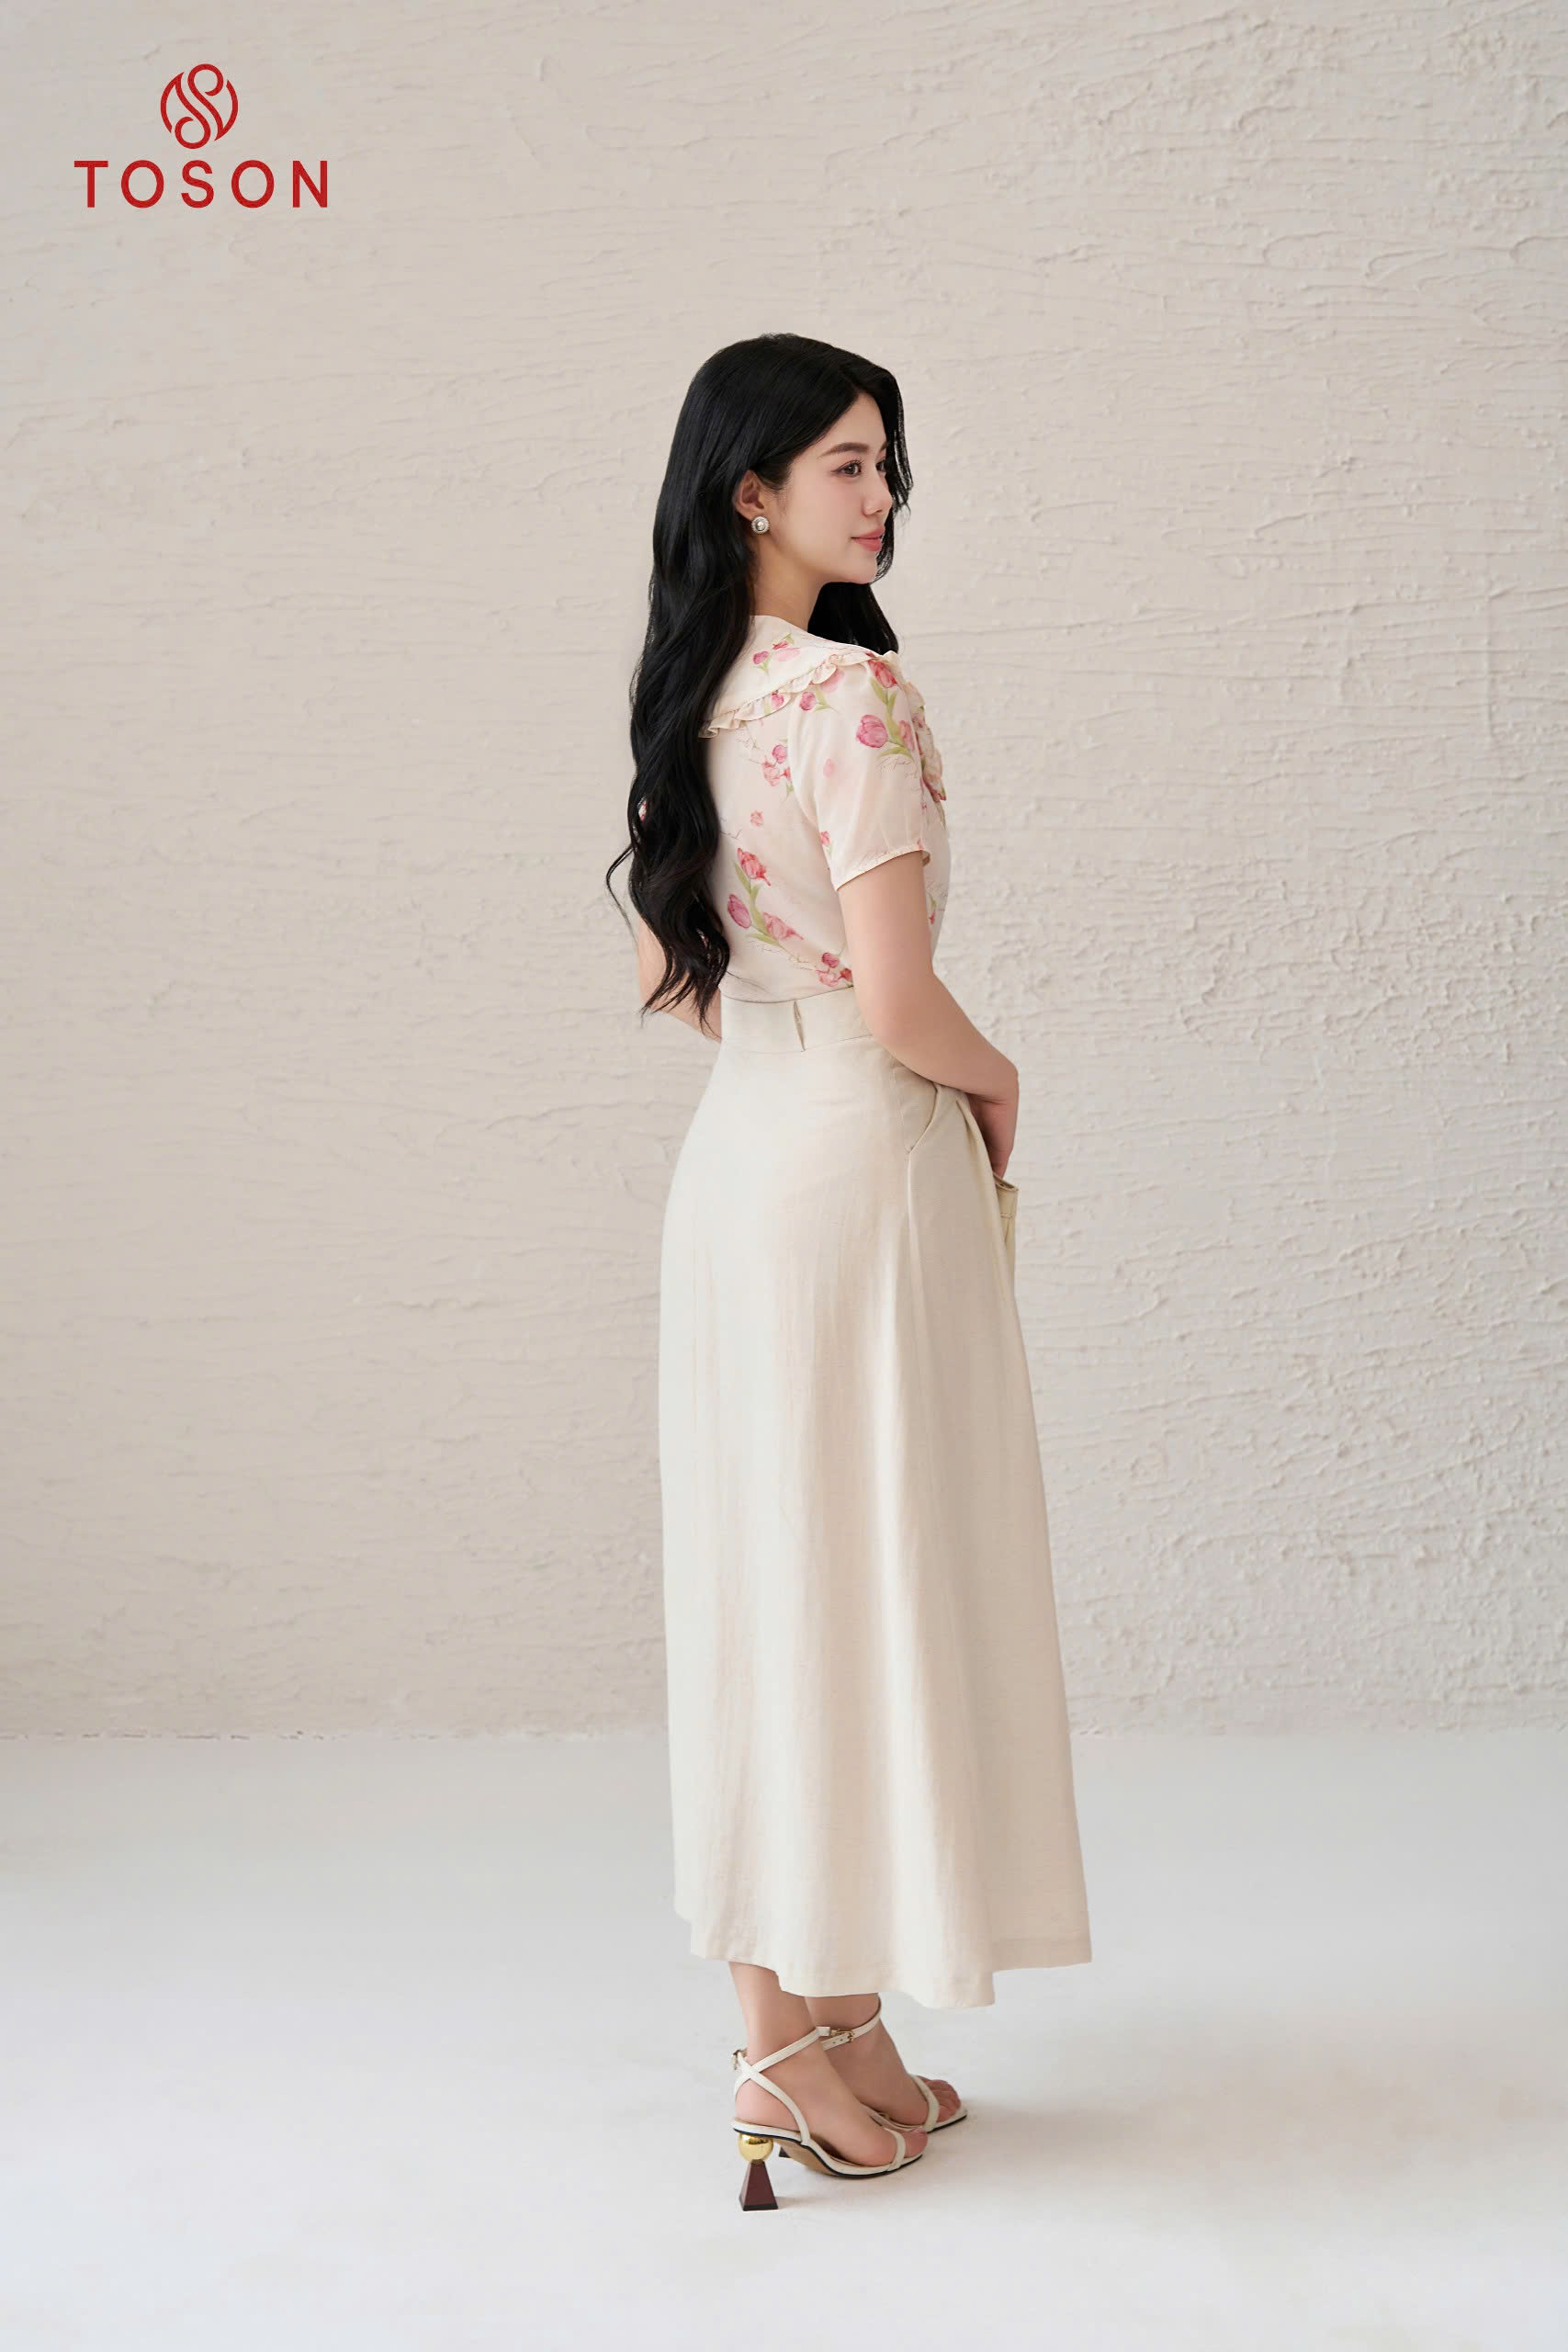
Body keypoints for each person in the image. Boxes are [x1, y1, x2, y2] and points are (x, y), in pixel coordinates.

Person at [606, 334, 1092, 2207]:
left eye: (887, 464)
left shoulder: (694, 696)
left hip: (742, 1162)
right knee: (867, 1573)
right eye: (846, 464)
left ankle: (821, 2019)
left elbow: (669, 975)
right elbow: (899, 1000)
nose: (882, 497)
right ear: (752, 489)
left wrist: (783, 1045)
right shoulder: (853, 696)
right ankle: (781, 2040)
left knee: (773, 1582)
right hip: (861, 1168)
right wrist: (998, 1077)